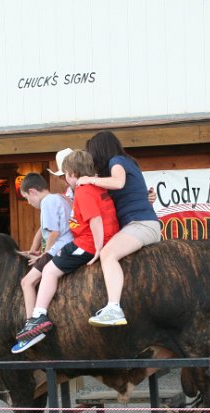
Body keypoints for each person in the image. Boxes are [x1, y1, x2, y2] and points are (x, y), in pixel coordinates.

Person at [13, 150, 119, 352]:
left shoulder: (83, 191)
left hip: (85, 243)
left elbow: (94, 219)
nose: (64, 180)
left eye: (65, 175)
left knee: (49, 271)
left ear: (72, 173)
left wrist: (98, 248)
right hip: (88, 240)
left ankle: (37, 317)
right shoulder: (93, 188)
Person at [76, 130, 161, 327]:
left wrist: (91, 180)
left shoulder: (116, 161)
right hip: (142, 222)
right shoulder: (128, 162)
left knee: (107, 254)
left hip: (141, 224)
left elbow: (119, 182)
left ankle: (114, 308)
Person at [18, 172, 73, 326]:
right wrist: (37, 251)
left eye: (26, 198)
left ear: (33, 192)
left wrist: (44, 255)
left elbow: (54, 233)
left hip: (58, 248)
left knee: (27, 282)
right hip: (68, 244)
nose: (28, 202)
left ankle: (31, 322)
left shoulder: (47, 202)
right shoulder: (60, 198)